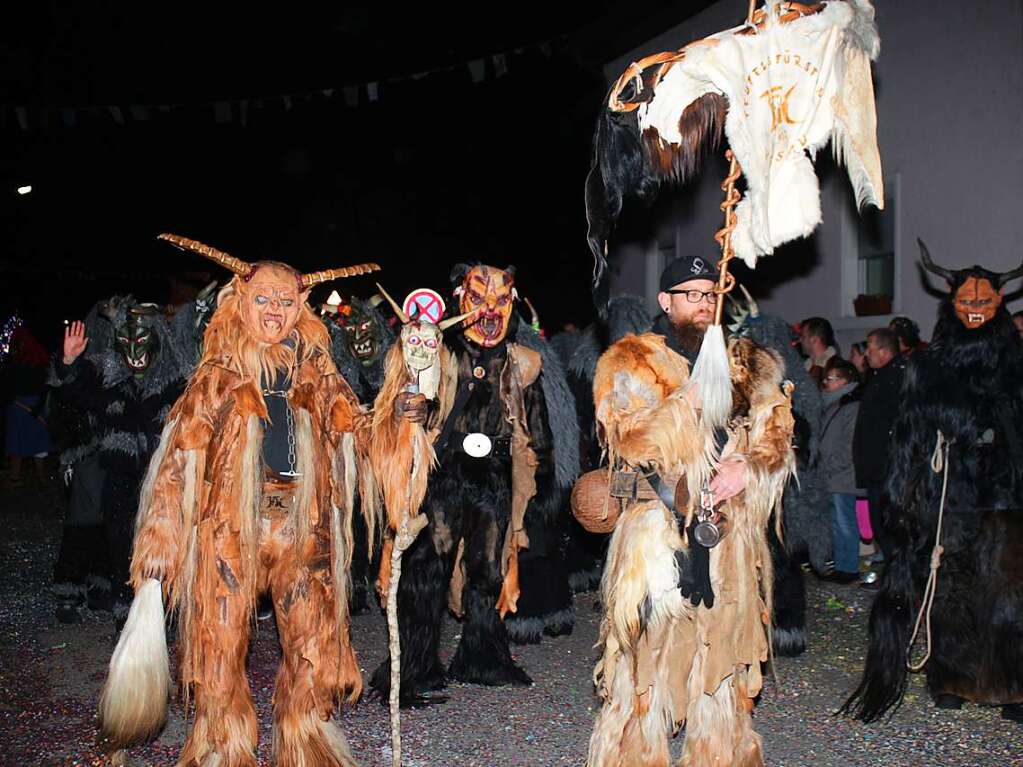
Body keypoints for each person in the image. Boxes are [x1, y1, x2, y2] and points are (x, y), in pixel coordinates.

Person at [97, 235, 392, 767]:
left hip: (302, 532)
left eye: (285, 301)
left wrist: (402, 416)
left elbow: (361, 431)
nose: (275, 311)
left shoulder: (317, 374)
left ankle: (307, 742)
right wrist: (158, 546)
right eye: (264, 299)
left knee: (312, 644)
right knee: (218, 648)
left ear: (300, 308)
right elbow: (176, 461)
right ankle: (221, 747)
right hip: (229, 532)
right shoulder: (215, 378)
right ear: (241, 301)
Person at [584, 256, 795, 766]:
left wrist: (747, 463)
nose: (702, 303)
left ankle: (718, 754)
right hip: (653, 532)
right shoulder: (631, 360)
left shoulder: (746, 359)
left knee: (720, 649)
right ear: (666, 301)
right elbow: (625, 437)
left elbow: (778, 430)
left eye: (709, 294)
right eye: (690, 294)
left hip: (726, 529)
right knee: (643, 658)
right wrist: (686, 403)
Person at [369, 263, 578, 704]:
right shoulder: (439, 352)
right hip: (445, 472)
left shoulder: (522, 362)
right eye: (479, 298)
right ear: (461, 299)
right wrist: (413, 410)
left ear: (513, 305)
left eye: (501, 301)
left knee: (488, 569)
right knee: (428, 570)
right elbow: (413, 402)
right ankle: (412, 667)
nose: (489, 310)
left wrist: (541, 473)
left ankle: (482, 658)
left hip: (494, 476)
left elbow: (535, 426)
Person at [843, 243, 1023, 724]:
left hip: (1005, 496)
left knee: (1006, 590)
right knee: (953, 587)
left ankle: (1010, 685)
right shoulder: (930, 366)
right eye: (967, 303)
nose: (976, 312)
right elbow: (911, 433)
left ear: (1000, 303)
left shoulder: (1014, 364)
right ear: (951, 303)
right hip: (952, 497)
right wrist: (906, 497)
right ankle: (952, 679)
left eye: (984, 304)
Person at [852, 327, 905, 587]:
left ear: (884, 352)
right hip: (877, 469)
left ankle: (897, 582)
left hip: (886, 470)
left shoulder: (895, 379)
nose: (866, 355)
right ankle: (893, 579)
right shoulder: (882, 377)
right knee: (879, 525)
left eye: (870, 349)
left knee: (888, 527)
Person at [817, 359, 862, 583]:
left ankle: (849, 567)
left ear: (845, 381)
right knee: (837, 523)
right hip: (832, 475)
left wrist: (829, 465)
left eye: (831, 379)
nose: (826, 383)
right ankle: (842, 565)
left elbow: (849, 445)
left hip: (842, 476)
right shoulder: (835, 403)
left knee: (845, 523)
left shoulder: (851, 406)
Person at [797, 316, 838, 385]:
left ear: (814, 340)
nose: (800, 340)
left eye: (803, 336)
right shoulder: (805, 366)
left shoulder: (836, 367)